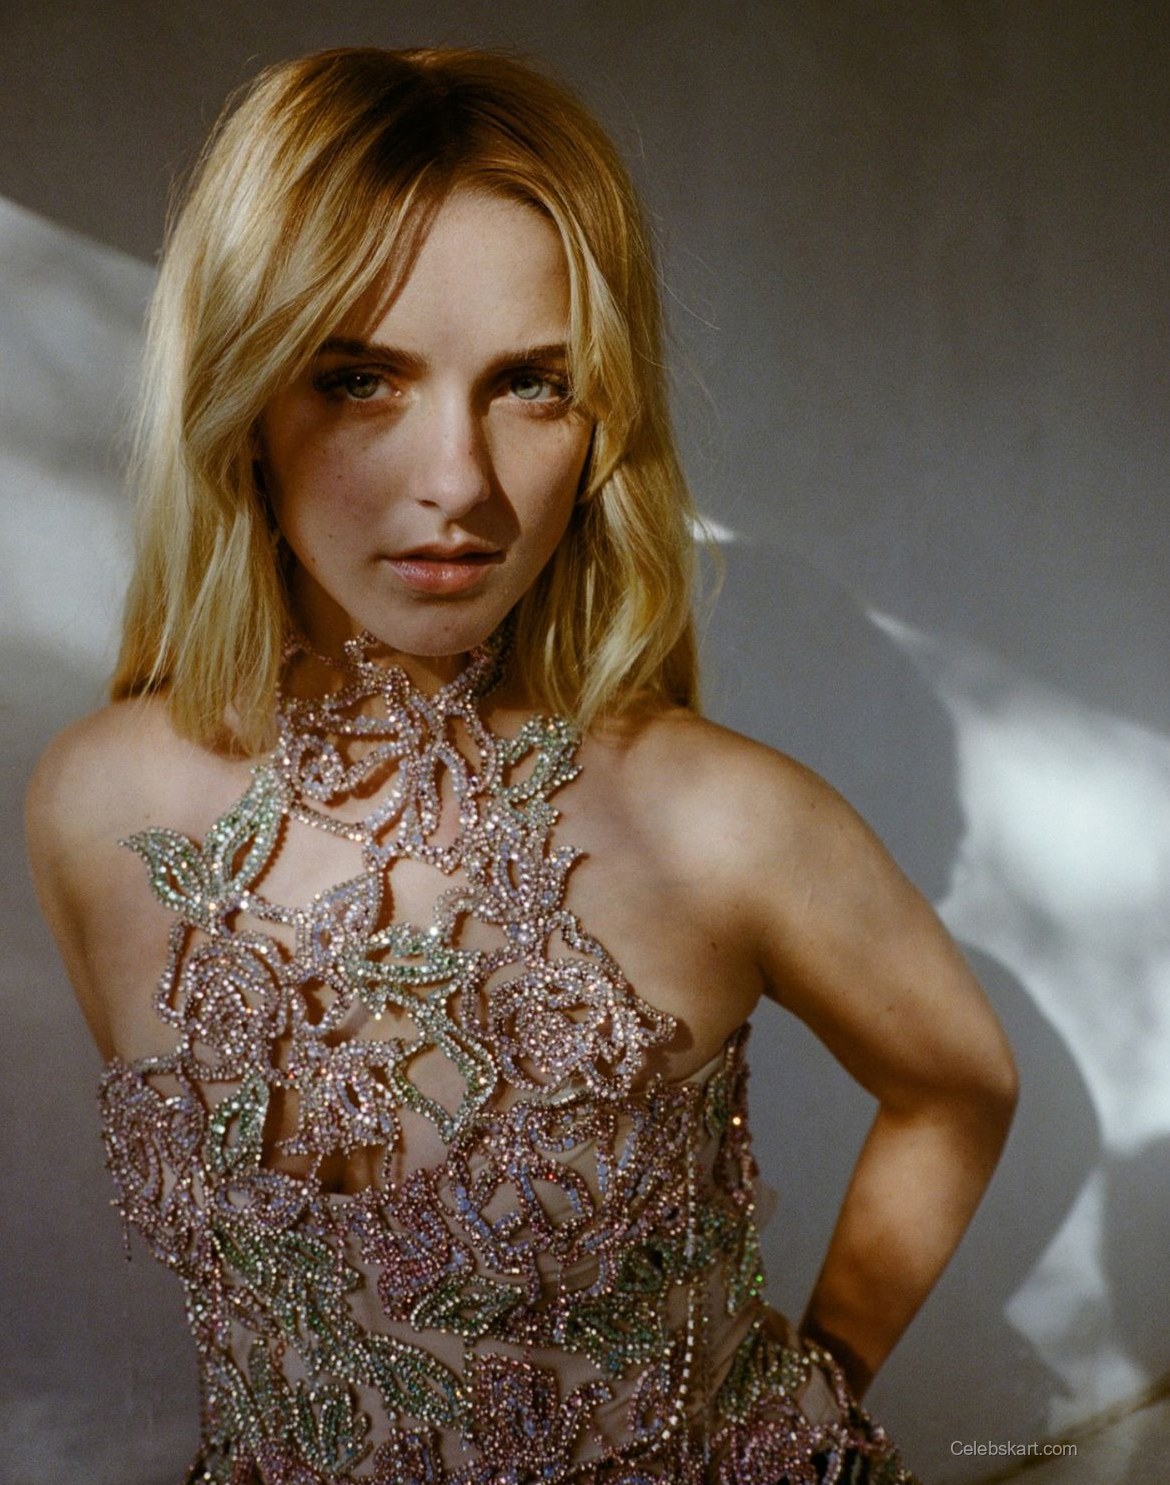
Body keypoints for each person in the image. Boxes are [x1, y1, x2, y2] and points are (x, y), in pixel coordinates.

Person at [25, 46, 1017, 1485]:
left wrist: (796, 1412)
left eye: (533, 385)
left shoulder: (726, 820)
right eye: (359, 378)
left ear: (604, 417)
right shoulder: (94, 807)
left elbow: (960, 1084)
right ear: (241, 401)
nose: (459, 484)